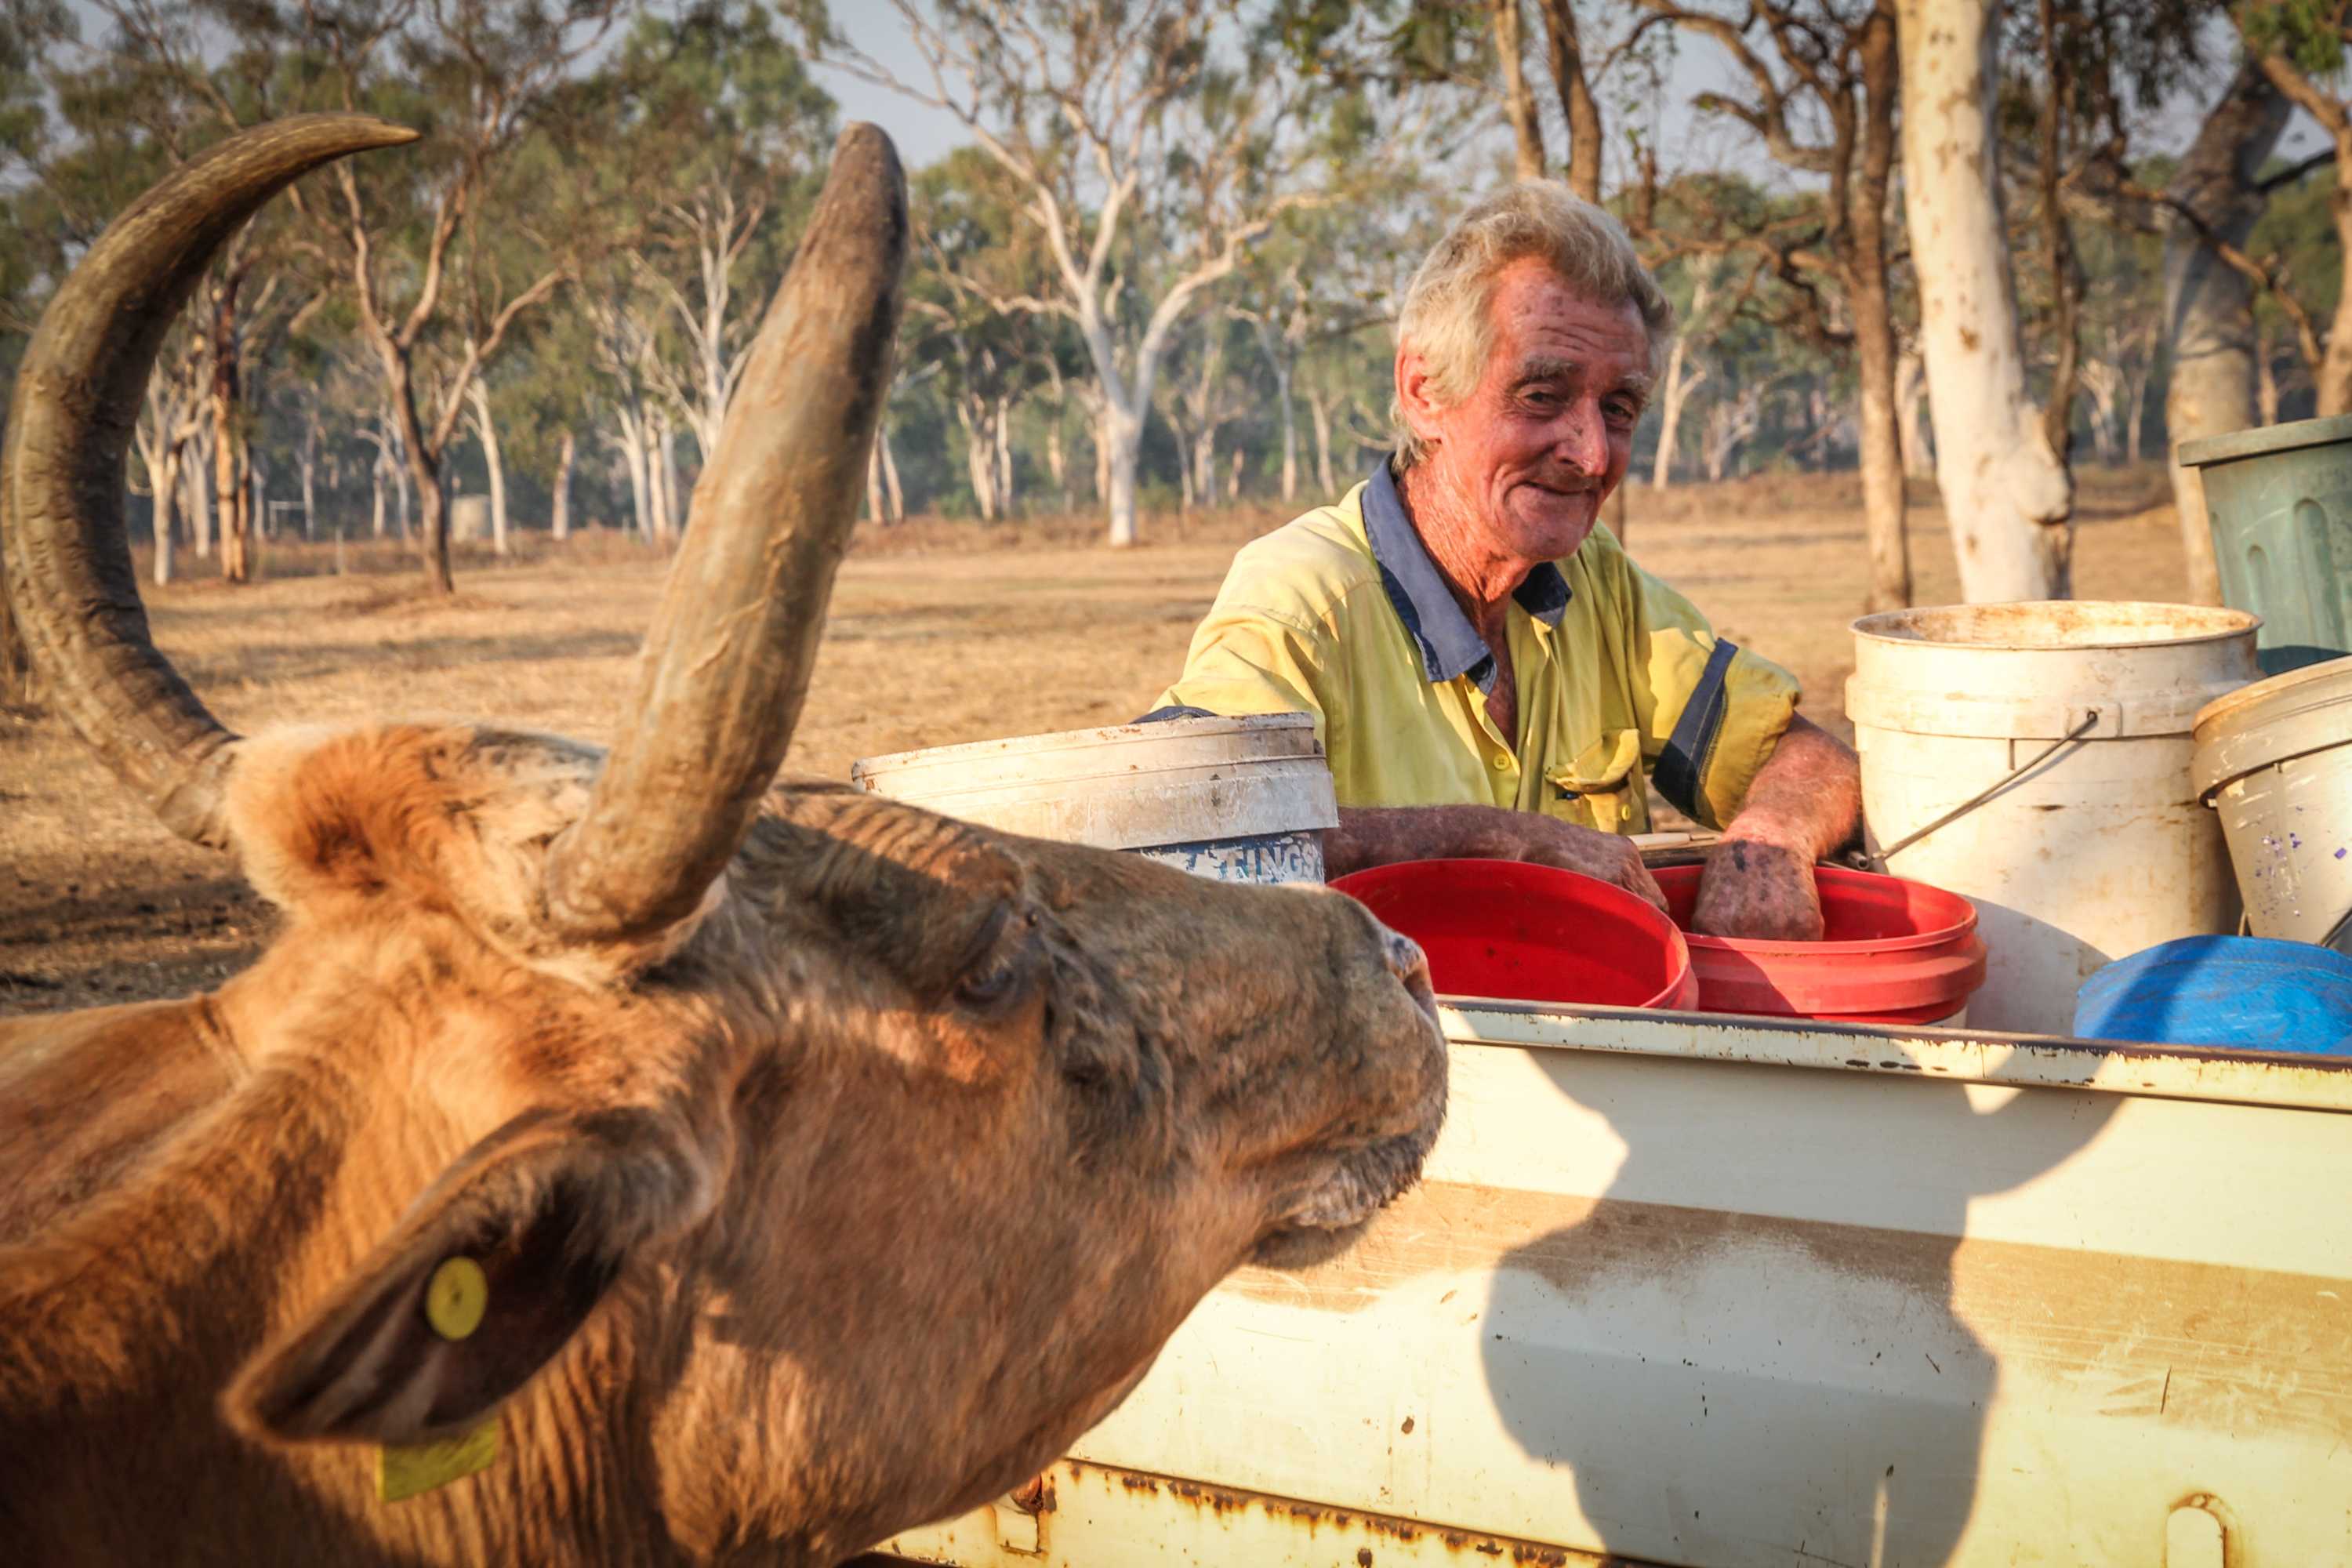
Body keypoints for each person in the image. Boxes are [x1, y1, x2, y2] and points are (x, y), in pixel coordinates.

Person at [1149, 183, 1860, 940]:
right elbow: (1182, 831)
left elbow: (1805, 756)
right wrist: (1498, 843)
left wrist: (1768, 840)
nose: (1591, 455)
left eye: (1618, 409)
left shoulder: (1596, 579)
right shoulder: (1302, 598)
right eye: (1542, 396)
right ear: (1424, 393)